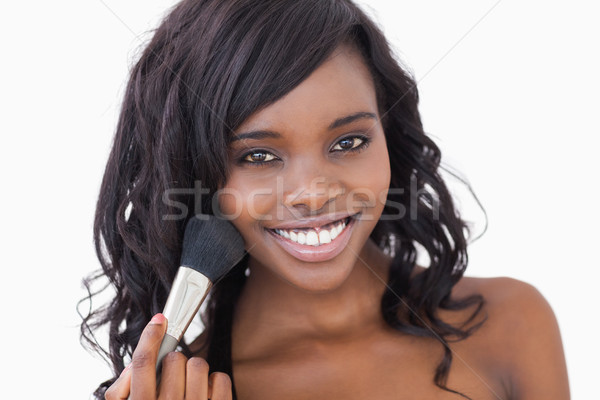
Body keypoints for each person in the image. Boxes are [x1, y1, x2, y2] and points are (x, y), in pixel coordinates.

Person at [81, 0, 570, 399]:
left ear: (389, 135)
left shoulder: (511, 322)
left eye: (348, 142)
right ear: (197, 174)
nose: (313, 194)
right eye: (258, 155)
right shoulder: (199, 388)